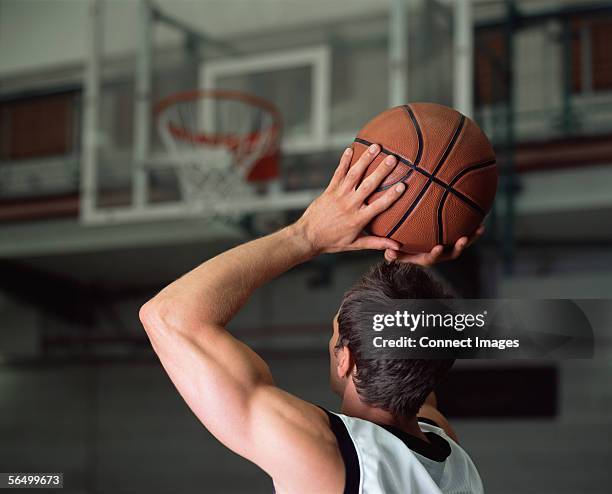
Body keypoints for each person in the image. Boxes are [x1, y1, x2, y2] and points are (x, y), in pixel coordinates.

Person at [139, 144, 485, 493]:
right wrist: (412, 265)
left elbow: (168, 316)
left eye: (335, 334)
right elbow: (411, 360)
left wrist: (307, 235)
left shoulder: (326, 454)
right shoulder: (452, 460)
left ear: (346, 360)